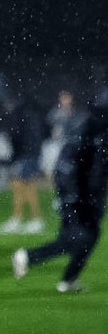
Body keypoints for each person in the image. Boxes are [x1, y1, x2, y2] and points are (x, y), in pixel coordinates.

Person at [14, 86, 108, 293]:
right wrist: (72, 196)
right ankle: (28, 256)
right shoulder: (89, 132)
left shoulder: (93, 130)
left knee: (87, 237)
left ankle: (68, 279)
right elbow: (70, 167)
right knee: (75, 239)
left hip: (87, 196)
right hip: (80, 197)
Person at [0, 100, 48, 235]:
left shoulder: (19, 117)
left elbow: (16, 136)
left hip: (25, 155)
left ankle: (32, 218)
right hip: (30, 154)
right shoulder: (33, 116)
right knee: (22, 185)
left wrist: (14, 157)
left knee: (24, 185)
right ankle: (21, 217)